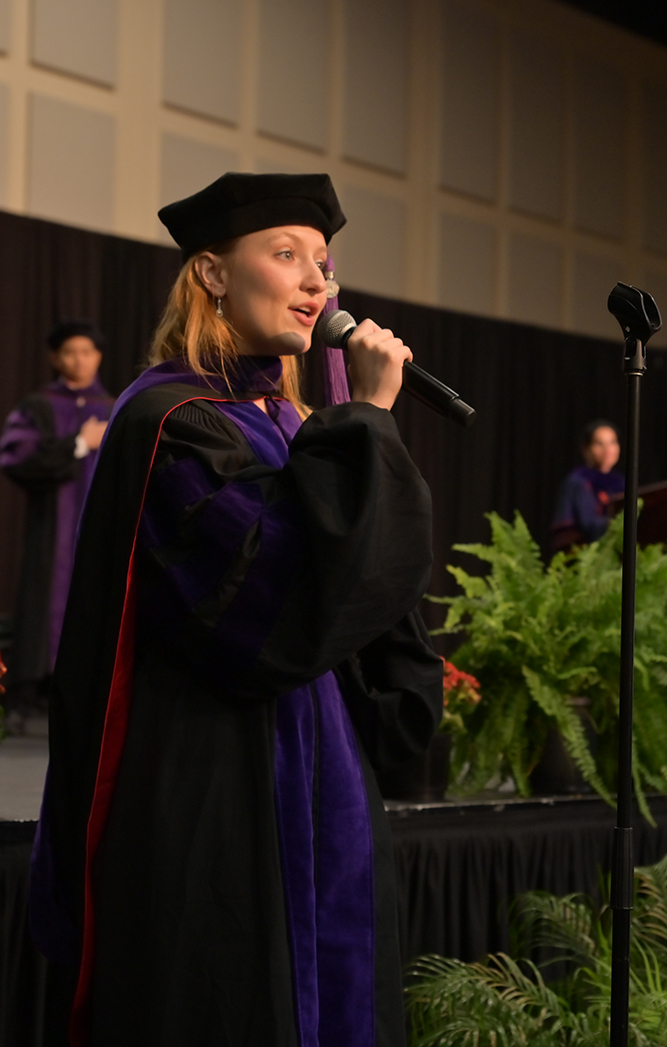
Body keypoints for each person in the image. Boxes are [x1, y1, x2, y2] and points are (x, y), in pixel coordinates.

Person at [30, 172, 444, 1047]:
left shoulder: (288, 422)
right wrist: (366, 418)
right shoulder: (171, 419)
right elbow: (264, 607)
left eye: (323, 262)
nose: (316, 282)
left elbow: (365, 599)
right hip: (215, 785)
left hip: (320, 774)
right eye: (286, 254)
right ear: (213, 273)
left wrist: (355, 427)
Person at [0, 322, 114, 733]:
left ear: (99, 356)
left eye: (87, 351)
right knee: (44, 603)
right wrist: (79, 444)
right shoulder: (39, 406)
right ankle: (29, 700)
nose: (78, 360)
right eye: (69, 352)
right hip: (51, 531)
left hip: (102, 531)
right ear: (54, 357)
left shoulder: (117, 408)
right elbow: (16, 458)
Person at [550, 419, 624, 552]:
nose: (608, 449)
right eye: (599, 443)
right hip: (585, 554)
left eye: (613, 442)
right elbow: (588, 525)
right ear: (586, 449)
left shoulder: (620, 482)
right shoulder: (579, 481)